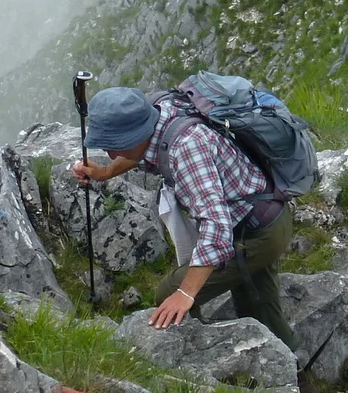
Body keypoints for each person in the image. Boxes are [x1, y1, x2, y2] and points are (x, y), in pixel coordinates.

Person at [70, 85, 296, 345]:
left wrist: (186, 293)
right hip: (263, 215)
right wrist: (106, 172)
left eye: (116, 145)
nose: (111, 153)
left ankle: (195, 351)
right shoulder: (160, 113)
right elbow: (143, 151)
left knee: (169, 292)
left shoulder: (188, 148)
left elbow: (215, 224)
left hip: (257, 232)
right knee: (258, 304)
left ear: (138, 133)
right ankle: (294, 368)